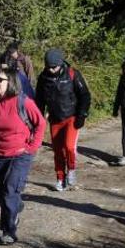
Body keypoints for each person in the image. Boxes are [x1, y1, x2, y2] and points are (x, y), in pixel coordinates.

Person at [0, 68, 46, 245]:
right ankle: (16, 206)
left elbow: (40, 124)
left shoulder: (23, 102)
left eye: (0, 80)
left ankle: (9, 231)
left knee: (9, 191)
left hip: (19, 155)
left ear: (11, 83)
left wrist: (31, 148)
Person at [35, 48, 91, 192]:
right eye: (49, 67)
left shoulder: (72, 74)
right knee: (58, 151)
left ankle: (71, 169)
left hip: (72, 116)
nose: (52, 70)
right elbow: (39, 101)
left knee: (69, 146)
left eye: (54, 67)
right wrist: (38, 119)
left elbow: (85, 95)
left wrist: (82, 115)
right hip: (55, 118)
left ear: (60, 64)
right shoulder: (43, 78)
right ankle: (60, 178)